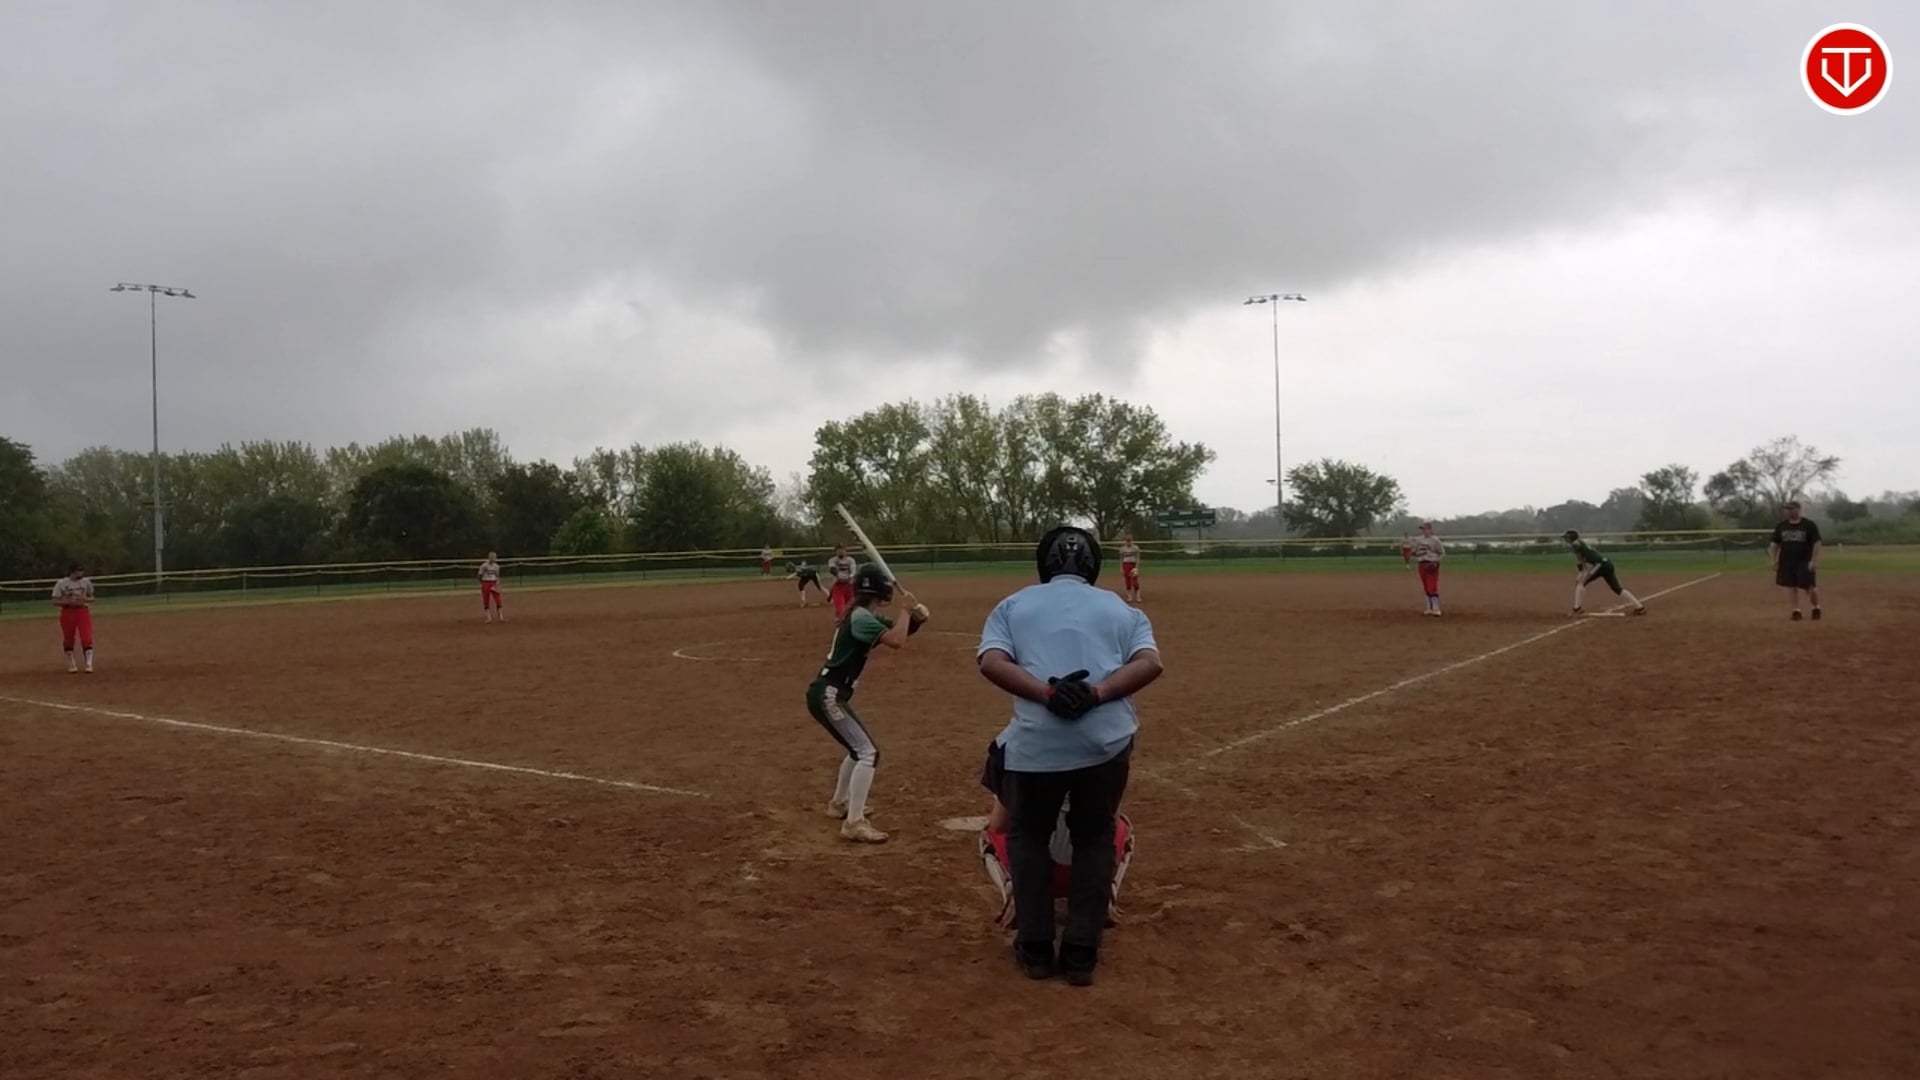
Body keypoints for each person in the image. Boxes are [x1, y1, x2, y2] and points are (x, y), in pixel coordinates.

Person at [977, 526, 1162, 986]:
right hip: (1106, 743)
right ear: (1093, 565)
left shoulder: (1013, 605)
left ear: (1044, 563)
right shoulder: (1121, 608)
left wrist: (1048, 694)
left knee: (1028, 837)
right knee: (1095, 837)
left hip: (1036, 746)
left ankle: (1036, 949)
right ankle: (1081, 953)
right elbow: (1149, 663)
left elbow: (992, 662)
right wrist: (1096, 694)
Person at [805, 563, 928, 843]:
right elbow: (896, 641)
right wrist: (906, 610)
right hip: (829, 694)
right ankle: (854, 823)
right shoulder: (861, 618)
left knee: (857, 749)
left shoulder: (863, 615)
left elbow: (900, 631)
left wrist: (917, 618)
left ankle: (839, 804)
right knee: (868, 753)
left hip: (829, 692)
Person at [976, 734, 1134, 931]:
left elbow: (999, 825)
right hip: (1090, 869)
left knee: (991, 832)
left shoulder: (1015, 743)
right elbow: (1110, 820)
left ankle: (1018, 894)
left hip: (1031, 871)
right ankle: (1103, 893)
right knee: (1118, 826)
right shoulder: (1107, 744)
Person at [1563, 530, 1647, 616]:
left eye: (1567, 537)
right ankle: (1640, 607)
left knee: (1580, 583)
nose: (1566, 539)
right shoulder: (1581, 543)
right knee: (1617, 589)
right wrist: (1583, 572)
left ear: (1571, 538)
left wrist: (1581, 572)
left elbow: (1579, 559)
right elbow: (1585, 559)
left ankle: (1577, 609)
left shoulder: (1575, 544)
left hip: (1599, 565)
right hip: (1607, 563)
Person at [1769, 500, 1823, 621]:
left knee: (1809, 587)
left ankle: (1815, 607)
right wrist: (1773, 559)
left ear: (1798, 509)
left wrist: (1813, 560)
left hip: (1804, 561)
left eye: (1791, 509)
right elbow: (1774, 544)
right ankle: (1796, 610)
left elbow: (1817, 543)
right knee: (1791, 586)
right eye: (1787, 509)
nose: (1788, 511)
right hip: (1787, 562)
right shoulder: (1782, 526)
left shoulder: (1808, 525)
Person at [51, 563, 96, 674]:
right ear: (72, 571)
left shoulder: (86, 582)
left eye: (82, 571)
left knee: (86, 637)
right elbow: (54, 601)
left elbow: (92, 597)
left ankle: (89, 663)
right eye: (78, 571)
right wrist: (67, 601)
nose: (81, 573)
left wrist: (83, 599)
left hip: (82, 611)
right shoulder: (62, 583)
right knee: (69, 638)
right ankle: (71, 662)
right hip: (68, 612)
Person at [1404, 521, 1445, 616]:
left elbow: (1442, 553)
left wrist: (1436, 561)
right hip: (1422, 564)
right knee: (1426, 586)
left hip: (1432, 563)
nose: (1424, 531)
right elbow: (1415, 551)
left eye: (1425, 529)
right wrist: (1412, 552)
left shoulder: (1435, 540)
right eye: (1422, 529)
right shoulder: (1418, 540)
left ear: (1430, 530)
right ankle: (1429, 608)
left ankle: (1436, 608)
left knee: (1432, 586)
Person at [824, 544, 858, 619]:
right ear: (836, 551)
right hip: (838, 586)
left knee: (850, 608)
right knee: (840, 608)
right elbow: (832, 569)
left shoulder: (851, 560)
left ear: (845, 551)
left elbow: (853, 570)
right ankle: (840, 621)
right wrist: (839, 576)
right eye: (838, 550)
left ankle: (849, 622)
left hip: (849, 586)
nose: (841, 552)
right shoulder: (832, 560)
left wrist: (850, 576)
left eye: (842, 550)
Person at [478, 552, 505, 623]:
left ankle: (501, 617)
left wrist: (497, 584)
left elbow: (497, 576)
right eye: (492, 557)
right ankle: (488, 618)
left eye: (494, 557)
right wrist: (481, 583)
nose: (493, 559)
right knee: (486, 600)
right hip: (485, 582)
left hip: (493, 582)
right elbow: (479, 575)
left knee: (498, 599)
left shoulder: (496, 566)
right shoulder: (484, 566)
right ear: (489, 557)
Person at [1117, 532, 1142, 603]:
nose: (1129, 542)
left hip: (1133, 565)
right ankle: (1129, 596)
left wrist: (1136, 567)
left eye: (1130, 540)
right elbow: (1121, 559)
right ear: (1125, 541)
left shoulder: (1136, 548)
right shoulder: (1122, 549)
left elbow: (1138, 558)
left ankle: (1138, 596)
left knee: (1135, 581)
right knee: (1127, 581)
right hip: (1126, 565)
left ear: (1132, 540)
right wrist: (1121, 568)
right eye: (1127, 541)